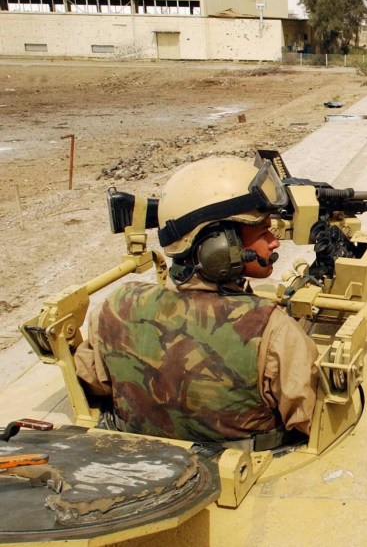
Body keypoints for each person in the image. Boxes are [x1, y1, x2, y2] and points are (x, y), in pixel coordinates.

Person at [75, 157, 319, 451]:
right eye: (262, 231)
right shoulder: (273, 328)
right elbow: (310, 420)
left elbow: (92, 382)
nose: (275, 241)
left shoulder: (115, 306)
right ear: (220, 245)